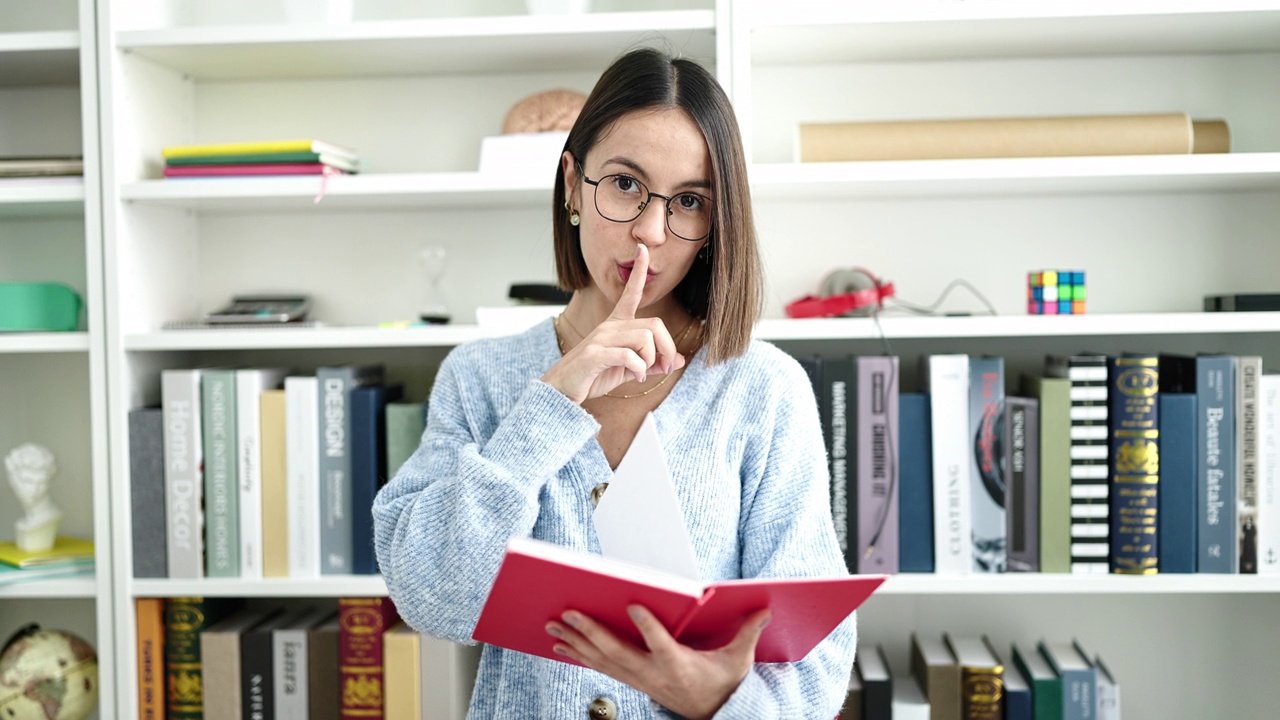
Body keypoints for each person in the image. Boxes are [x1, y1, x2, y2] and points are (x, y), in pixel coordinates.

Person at [373, 46, 855, 719]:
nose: (651, 233)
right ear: (572, 182)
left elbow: (815, 670)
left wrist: (716, 698)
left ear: (715, 224)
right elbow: (433, 601)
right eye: (625, 185)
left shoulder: (763, 390)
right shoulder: (480, 378)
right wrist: (551, 401)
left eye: (688, 201)